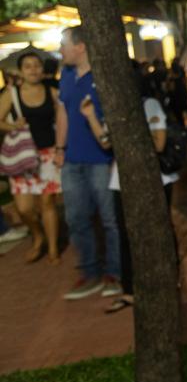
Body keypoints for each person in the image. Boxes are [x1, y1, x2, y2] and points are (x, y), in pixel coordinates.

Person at [102, 62, 180, 313]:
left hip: (155, 178)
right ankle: (128, 290)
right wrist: (91, 116)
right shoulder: (113, 107)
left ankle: (172, 278)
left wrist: (129, 135)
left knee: (161, 228)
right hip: (119, 181)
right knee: (125, 234)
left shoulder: (150, 105)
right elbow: (105, 142)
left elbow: (159, 144)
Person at [56, 26, 121, 300]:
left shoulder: (103, 76)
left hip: (101, 160)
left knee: (109, 220)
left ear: (80, 46)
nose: (60, 50)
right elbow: (63, 113)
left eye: (64, 44)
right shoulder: (66, 75)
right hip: (72, 160)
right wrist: (60, 148)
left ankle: (115, 274)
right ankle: (90, 273)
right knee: (76, 219)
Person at [0, 53, 63, 264]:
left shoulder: (52, 92)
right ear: (21, 71)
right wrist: (13, 126)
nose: (33, 70)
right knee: (24, 208)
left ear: (42, 69)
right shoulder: (12, 94)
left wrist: (61, 148)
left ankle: (53, 249)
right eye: (28, 66)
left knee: (47, 203)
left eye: (36, 65)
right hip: (22, 156)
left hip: (47, 154)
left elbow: (62, 118)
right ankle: (37, 235)